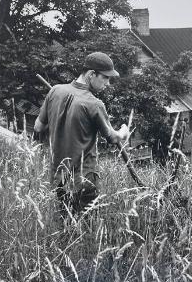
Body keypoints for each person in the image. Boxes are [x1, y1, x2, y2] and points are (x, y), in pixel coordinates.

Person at [34, 52, 128, 217]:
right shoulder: (94, 104)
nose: (108, 83)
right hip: (85, 181)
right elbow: (112, 138)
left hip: (60, 179)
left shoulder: (56, 91)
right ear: (92, 74)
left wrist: (58, 115)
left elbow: (38, 127)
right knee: (88, 233)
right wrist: (123, 131)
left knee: (67, 231)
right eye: (105, 78)